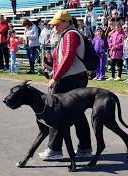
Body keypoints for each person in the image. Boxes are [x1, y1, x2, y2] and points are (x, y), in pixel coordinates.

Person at [38, 10, 92, 160]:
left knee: (56, 112)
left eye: (57, 24)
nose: (54, 27)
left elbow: (68, 58)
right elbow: (63, 58)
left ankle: (55, 150)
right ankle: (85, 148)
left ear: (66, 22)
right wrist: (50, 63)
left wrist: (55, 77)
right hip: (73, 78)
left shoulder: (71, 34)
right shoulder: (66, 35)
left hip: (71, 79)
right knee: (77, 114)